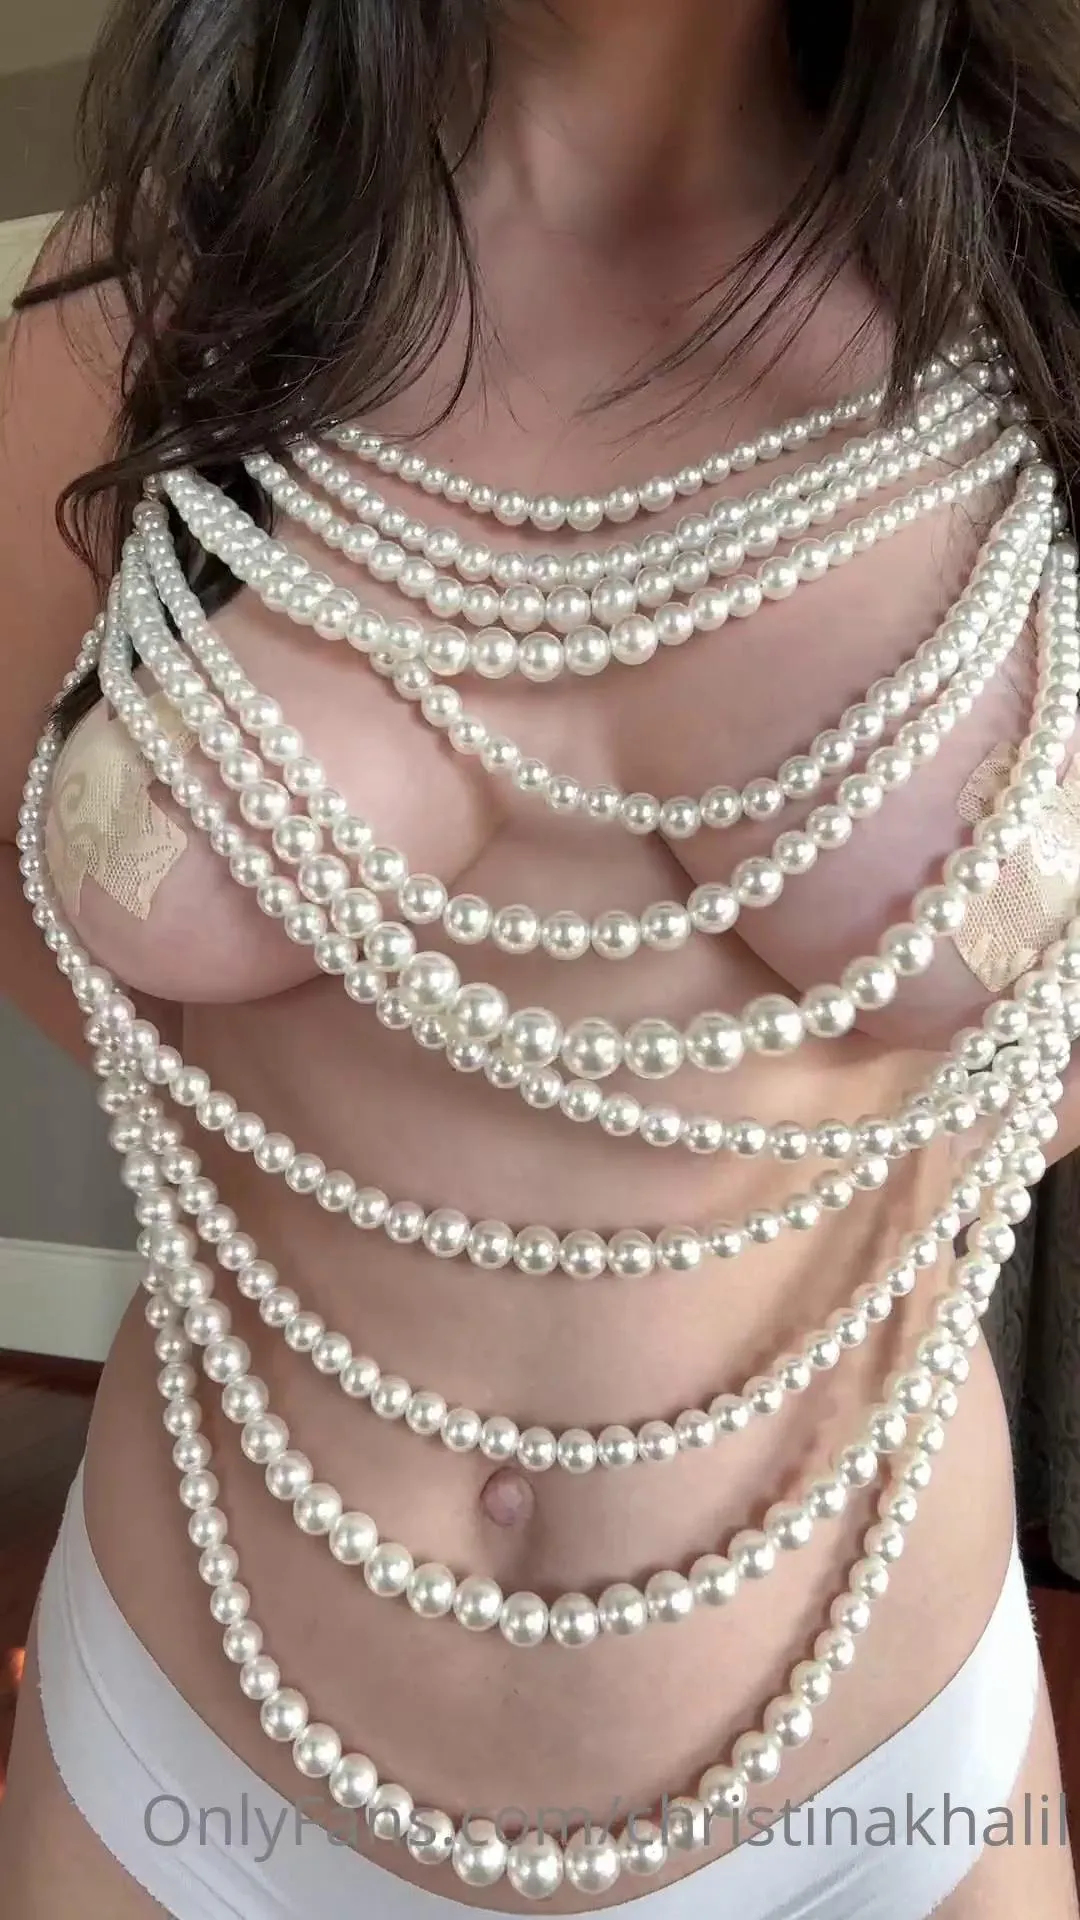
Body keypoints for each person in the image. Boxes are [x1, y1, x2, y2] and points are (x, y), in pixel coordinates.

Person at [0, 1, 1079, 1913]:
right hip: (188, 1757)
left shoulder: (1041, 317)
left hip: (877, 1789)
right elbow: (34, 922)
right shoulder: (138, 315)